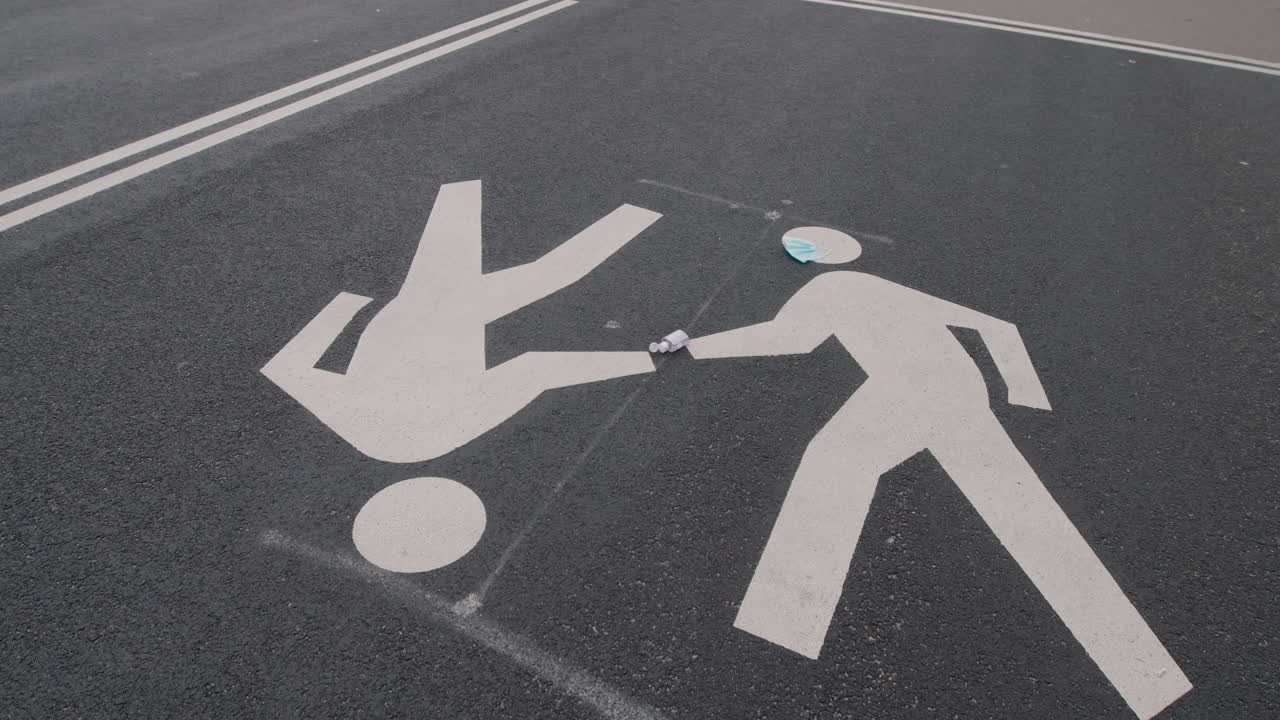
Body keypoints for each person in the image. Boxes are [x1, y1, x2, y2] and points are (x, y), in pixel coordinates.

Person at [687, 227, 1189, 720]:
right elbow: (998, 328)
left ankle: (787, 617)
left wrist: (693, 348)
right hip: (958, 390)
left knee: (836, 461)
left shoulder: (830, 287)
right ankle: (1142, 670)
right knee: (1019, 509)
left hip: (913, 392)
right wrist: (1022, 394)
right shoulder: (881, 287)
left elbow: (789, 339)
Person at [262, 180, 661, 463]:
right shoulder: (348, 415)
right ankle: (462, 190)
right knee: (449, 256)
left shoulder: (448, 419)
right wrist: (344, 309)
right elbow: (288, 369)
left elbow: (537, 367)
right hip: (404, 316)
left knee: (550, 272)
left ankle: (639, 210)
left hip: (445, 318)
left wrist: (642, 359)